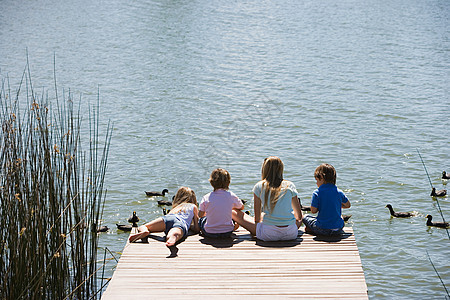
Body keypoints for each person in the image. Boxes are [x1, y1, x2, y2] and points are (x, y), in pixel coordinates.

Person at [232, 156, 303, 241]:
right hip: (290, 234)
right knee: (298, 215)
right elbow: (299, 217)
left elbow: (257, 220)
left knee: (233, 212)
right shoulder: (290, 185)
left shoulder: (259, 186)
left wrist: (262, 217)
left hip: (268, 234)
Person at [129, 186, 199, 246]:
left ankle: (144, 231)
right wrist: (190, 226)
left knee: (144, 226)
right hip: (181, 222)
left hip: (167, 218)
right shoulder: (193, 206)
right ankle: (172, 238)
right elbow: (197, 228)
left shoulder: (175, 207)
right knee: (175, 233)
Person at [302, 163, 351, 236]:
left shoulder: (317, 193)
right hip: (338, 229)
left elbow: (313, 211)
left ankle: (311, 229)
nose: (316, 183)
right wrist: (334, 205)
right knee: (339, 217)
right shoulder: (339, 192)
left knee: (304, 217)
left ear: (321, 177)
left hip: (322, 229)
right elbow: (348, 205)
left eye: (317, 180)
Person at [198, 168, 244, 238]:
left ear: (211, 183)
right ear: (228, 183)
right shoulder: (231, 195)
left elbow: (200, 215)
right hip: (227, 232)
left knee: (202, 220)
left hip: (210, 232)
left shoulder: (206, 197)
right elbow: (241, 207)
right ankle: (232, 226)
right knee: (230, 215)